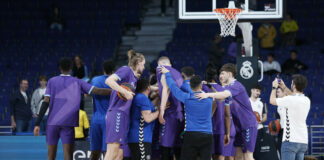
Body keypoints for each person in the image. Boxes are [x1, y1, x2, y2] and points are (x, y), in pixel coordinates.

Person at [33, 57, 112, 160]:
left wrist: (37, 123)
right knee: (68, 156)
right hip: (68, 124)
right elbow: (98, 91)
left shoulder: (52, 81)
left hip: (52, 123)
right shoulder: (78, 82)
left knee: (50, 156)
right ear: (71, 68)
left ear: (60, 68)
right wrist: (117, 91)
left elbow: (46, 102)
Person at [160, 66, 229, 160]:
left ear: (190, 86)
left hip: (191, 135)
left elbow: (172, 86)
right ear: (201, 86)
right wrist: (209, 86)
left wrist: (167, 73)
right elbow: (221, 98)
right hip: (207, 135)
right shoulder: (209, 99)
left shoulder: (186, 97)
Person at [195, 63, 258, 160]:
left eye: (222, 73)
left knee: (248, 156)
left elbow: (223, 95)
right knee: (238, 155)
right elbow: (220, 99)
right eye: (220, 73)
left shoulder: (236, 85)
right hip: (238, 126)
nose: (220, 76)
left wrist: (207, 95)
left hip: (247, 124)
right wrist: (209, 85)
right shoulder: (228, 88)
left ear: (229, 74)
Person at [104, 50, 145, 160]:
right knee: (112, 152)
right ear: (139, 62)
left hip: (123, 115)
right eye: (143, 64)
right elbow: (109, 81)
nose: (144, 67)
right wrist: (125, 92)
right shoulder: (126, 70)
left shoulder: (134, 78)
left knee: (119, 155)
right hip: (117, 113)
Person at [269, 74, 310, 160]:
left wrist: (274, 87)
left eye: (291, 83)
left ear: (294, 86)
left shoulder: (290, 99)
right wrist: (283, 87)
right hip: (303, 141)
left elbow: (272, 101)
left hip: (290, 140)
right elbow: (293, 96)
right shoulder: (306, 100)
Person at [203, 67, 236, 160]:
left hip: (205, 129)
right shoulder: (224, 91)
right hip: (220, 129)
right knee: (220, 156)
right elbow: (227, 114)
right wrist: (228, 132)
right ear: (216, 76)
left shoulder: (201, 88)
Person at [156, 56, 184, 160]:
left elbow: (165, 90)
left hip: (169, 114)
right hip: (180, 113)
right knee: (177, 146)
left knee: (165, 145)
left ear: (159, 65)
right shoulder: (177, 72)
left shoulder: (162, 70)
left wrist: (161, 110)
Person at [128, 78, 160, 160]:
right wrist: (160, 111)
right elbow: (148, 118)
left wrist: (157, 98)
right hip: (140, 139)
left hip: (138, 139)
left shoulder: (139, 97)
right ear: (148, 88)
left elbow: (149, 107)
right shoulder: (143, 98)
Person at [90, 60, 115, 160]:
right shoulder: (117, 82)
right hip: (110, 120)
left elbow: (87, 94)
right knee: (107, 153)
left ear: (103, 69)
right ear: (114, 70)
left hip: (96, 119)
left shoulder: (95, 80)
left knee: (94, 152)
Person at [275, 87, 287, 157]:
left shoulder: (290, 102)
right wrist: (275, 126)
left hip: (290, 131)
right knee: (280, 149)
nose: (277, 94)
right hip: (281, 131)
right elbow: (278, 119)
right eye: (276, 92)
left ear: (284, 92)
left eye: (278, 92)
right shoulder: (278, 105)